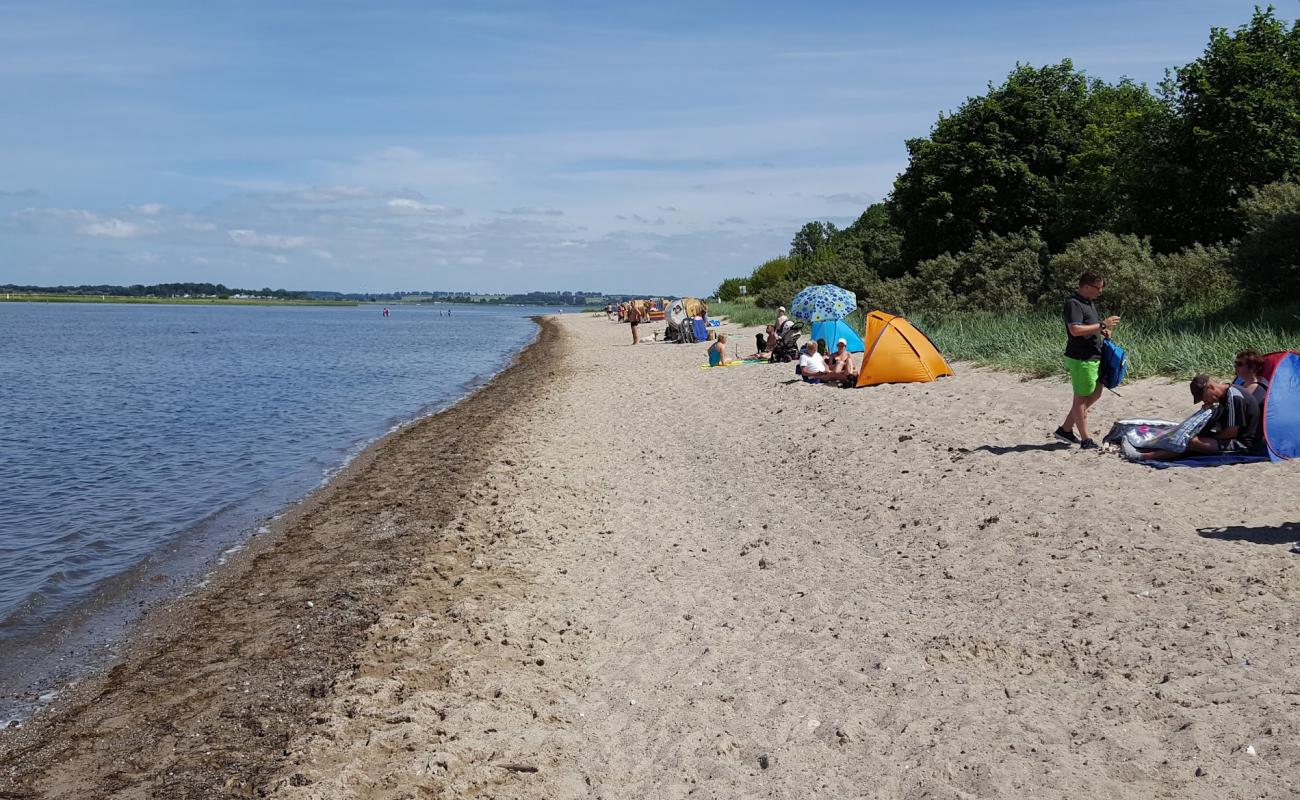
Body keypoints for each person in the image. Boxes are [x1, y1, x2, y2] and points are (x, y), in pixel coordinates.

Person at [1123, 374, 1263, 462]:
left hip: (1242, 444)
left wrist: (1208, 437)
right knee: (1190, 438)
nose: (1204, 401)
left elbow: (1230, 433)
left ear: (1210, 388)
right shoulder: (1226, 395)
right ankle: (1151, 451)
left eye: (1202, 397)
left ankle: (1144, 457)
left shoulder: (1234, 397)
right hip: (1231, 438)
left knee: (1190, 442)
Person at [1055, 272, 1121, 449]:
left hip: (1094, 356)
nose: (1100, 292)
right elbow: (1075, 329)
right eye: (1098, 288)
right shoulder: (1073, 303)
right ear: (1086, 286)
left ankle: (1066, 429)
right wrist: (1102, 325)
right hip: (1080, 358)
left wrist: (1101, 331)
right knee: (1081, 400)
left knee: (1096, 393)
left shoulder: (1088, 302)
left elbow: (1087, 327)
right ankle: (1085, 440)